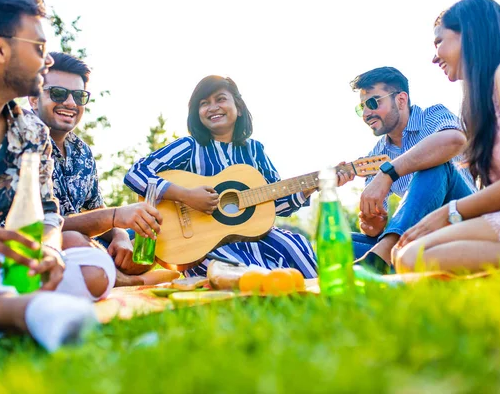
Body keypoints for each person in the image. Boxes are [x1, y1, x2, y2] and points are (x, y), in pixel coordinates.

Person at [0, 0, 114, 352]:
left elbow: (49, 211)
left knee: (96, 266)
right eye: (39, 45)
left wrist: (49, 251)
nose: (48, 58)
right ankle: (17, 311)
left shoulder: (32, 133)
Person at [125, 75, 349, 278]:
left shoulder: (255, 151)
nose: (213, 107)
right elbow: (136, 174)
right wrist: (185, 195)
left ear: (238, 108)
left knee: (295, 246)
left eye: (220, 99)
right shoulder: (189, 146)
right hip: (205, 246)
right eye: (204, 103)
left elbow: (274, 205)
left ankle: (322, 302)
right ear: (197, 113)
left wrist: (312, 186)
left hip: (259, 239)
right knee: (239, 272)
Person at [394, 0, 500, 271]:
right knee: (408, 254)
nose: (433, 56)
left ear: (470, 33)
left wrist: (449, 212)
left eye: (439, 41)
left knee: (413, 257)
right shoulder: (478, 100)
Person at [28, 52, 179, 286]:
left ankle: (114, 272)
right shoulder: (19, 140)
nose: (70, 103)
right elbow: (39, 225)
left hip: (84, 245)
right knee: (70, 238)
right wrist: (116, 216)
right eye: (58, 93)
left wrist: (119, 235)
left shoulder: (82, 151)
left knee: (147, 237)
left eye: (79, 96)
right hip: (36, 246)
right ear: (33, 98)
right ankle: (130, 282)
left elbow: (95, 207)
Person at [344, 67, 476, 273]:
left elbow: (455, 140)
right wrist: (372, 222)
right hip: (419, 236)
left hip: (464, 221)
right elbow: (374, 229)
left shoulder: (433, 115)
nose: (367, 114)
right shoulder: (375, 155)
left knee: (435, 164)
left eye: (372, 103)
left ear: (401, 100)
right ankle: (393, 261)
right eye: (362, 108)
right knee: (344, 243)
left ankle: (384, 258)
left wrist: (388, 173)